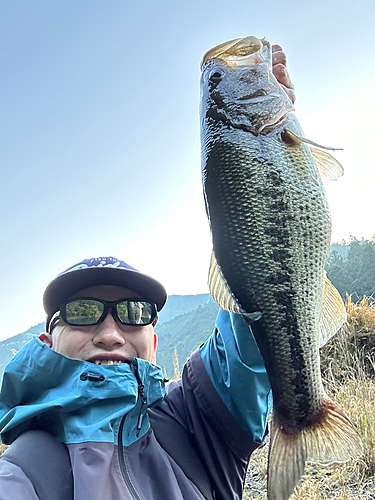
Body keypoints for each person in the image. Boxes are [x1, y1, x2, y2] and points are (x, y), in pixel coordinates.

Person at [0, 47, 295, 500]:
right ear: (47, 341)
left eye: (134, 312)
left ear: (154, 339)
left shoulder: (201, 415)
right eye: (82, 312)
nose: (112, 333)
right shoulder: (25, 468)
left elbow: (254, 327)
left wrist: (265, 165)